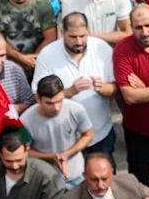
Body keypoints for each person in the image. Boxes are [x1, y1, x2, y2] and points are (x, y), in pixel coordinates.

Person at [35, 14, 119, 162]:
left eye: (82, 36)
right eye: (73, 37)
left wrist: (102, 88)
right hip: (65, 140)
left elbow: (116, 89)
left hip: (100, 135)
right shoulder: (47, 55)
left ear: (88, 30)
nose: (79, 42)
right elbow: (37, 95)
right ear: (62, 32)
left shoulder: (102, 48)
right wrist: (69, 92)